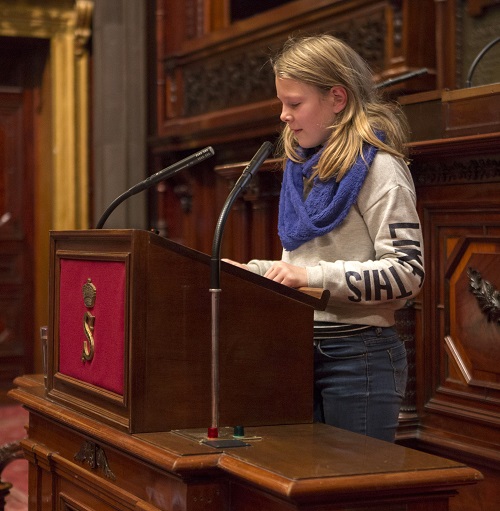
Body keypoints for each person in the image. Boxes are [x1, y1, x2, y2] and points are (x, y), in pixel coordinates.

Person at [224, 34, 424, 443]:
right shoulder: (303, 169)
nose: (284, 115)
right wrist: (251, 272)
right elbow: (299, 267)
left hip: (359, 355)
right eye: (282, 104)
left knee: (354, 494)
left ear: (337, 98)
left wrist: (311, 278)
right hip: (297, 347)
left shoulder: (380, 169)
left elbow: (408, 272)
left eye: (295, 104)